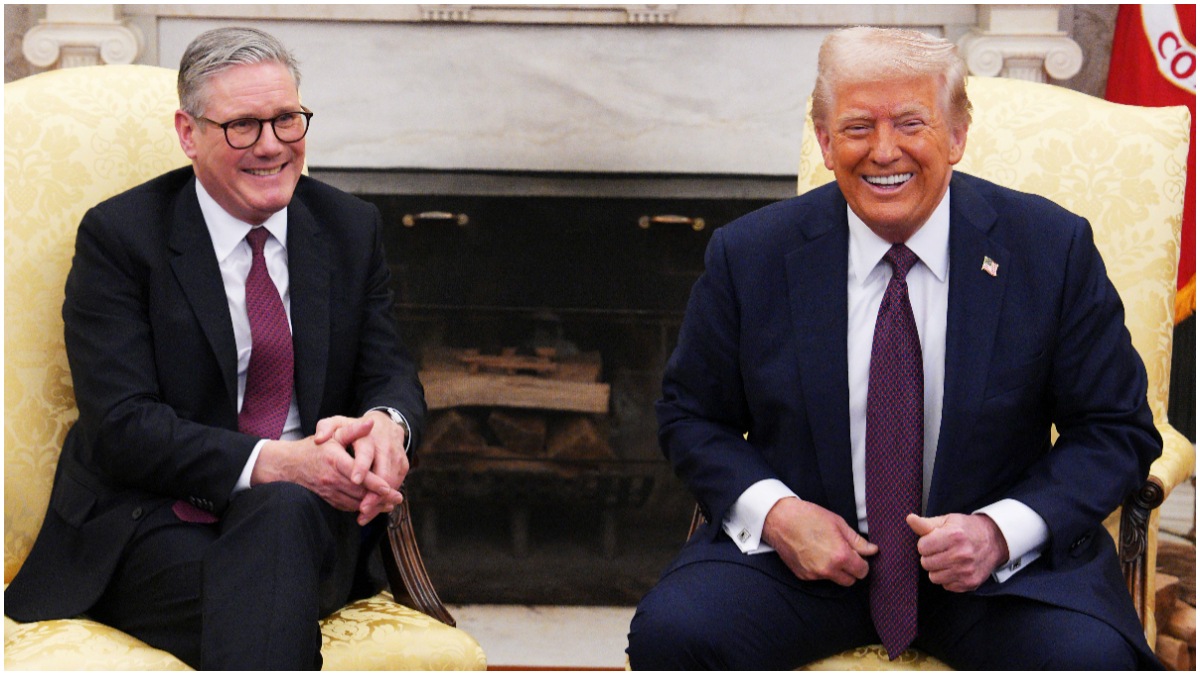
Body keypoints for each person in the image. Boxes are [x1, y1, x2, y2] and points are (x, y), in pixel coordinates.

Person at [627, 26, 1163, 670]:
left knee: (1089, 660)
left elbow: (1114, 429)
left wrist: (1001, 531)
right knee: (675, 635)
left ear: (958, 134)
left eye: (912, 123)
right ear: (824, 142)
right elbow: (691, 415)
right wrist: (777, 515)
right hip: (802, 567)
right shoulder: (751, 255)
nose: (885, 152)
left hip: (1000, 579)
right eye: (856, 128)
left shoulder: (1050, 249)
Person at [4, 27, 426, 670]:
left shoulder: (348, 227)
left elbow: (390, 372)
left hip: (310, 522)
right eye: (243, 127)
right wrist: (278, 462)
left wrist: (388, 428)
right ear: (188, 132)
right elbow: (121, 426)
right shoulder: (122, 239)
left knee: (283, 519)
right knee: (269, 579)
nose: (272, 146)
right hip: (155, 524)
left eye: (287, 120)